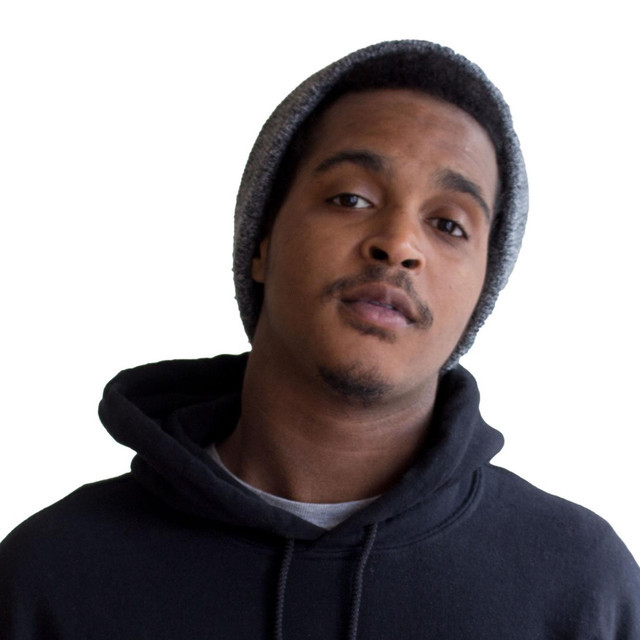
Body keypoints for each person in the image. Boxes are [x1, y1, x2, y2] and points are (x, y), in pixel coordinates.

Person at [1, 40, 638, 639]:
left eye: (449, 224)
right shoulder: (49, 576)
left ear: (482, 292)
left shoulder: (583, 587)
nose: (399, 244)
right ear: (262, 242)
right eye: (351, 198)